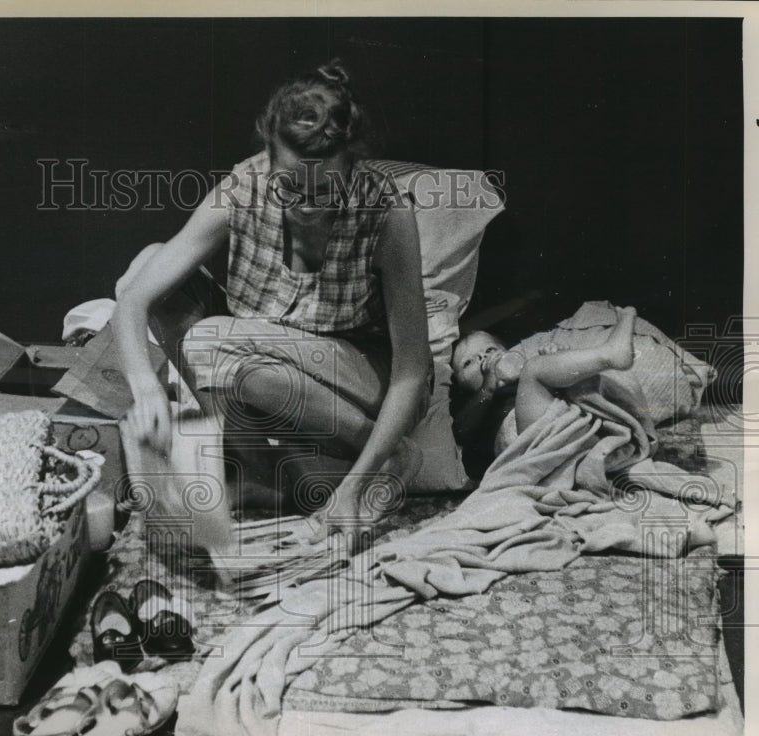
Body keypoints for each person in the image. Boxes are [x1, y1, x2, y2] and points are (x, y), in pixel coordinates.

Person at [112, 59, 432, 533]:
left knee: (217, 347)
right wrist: (146, 389)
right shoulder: (242, 187)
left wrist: (355, 489)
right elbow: (133, 302)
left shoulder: (386, 214)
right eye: (288, 185)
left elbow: (412, 371)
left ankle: (385, 458)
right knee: (148, 265)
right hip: (259, 367)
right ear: (268, 156)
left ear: (354, 165)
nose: (304, 205)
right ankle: (265, 471)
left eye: (325, 189)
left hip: (360, 379)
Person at [451, 306, 638, 476]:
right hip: (523, 446)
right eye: (468, 363)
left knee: (568, 380)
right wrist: (487, 388)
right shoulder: (474, 405)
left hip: (569, 436)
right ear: (460, 385)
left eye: (490, 349)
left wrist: (556, 360)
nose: (484, 358)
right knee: (533, 371)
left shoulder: (526, 381)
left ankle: (601, 445)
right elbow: (461, 431)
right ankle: (611, 354)